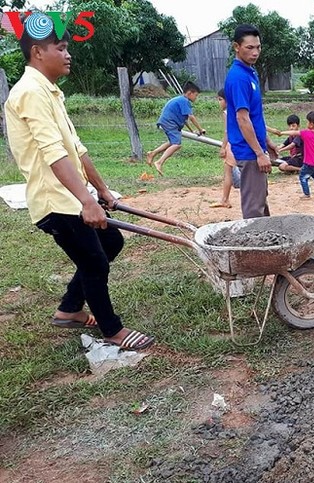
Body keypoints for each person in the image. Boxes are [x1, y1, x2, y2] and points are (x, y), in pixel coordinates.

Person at [4, 23, 154, 350]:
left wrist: (101, 190)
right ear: (37, 52)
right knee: (94, 261)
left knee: (110, 242)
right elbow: (53, 153)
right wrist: (86, 201)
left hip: (70, 195)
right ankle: (112, 330)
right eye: (60, 47)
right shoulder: (29, 92)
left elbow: (76, 147)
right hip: (56, 201)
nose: (68, 54)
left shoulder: (50, 91)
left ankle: (69, 309)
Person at [224, 23, 278, 219]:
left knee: (260, 200)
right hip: (249, 153)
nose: (255, 52)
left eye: (258, 47)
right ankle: (254, 249)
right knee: (254, 209)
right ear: (236, 47)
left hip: (255, 148)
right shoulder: (239, 77)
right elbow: (242, 118)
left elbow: (254, 115)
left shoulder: (250, 72)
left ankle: (267, 247)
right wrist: (259, 153)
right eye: (249, 48)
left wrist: (267, 143)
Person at [146, 81, 206, 176]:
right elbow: (191, 117)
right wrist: (200, 129)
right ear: (189, 93)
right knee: (177, 144)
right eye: (196, 95)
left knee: (172, 142)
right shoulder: (184, 101)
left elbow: (185, 119)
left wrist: (192, 131)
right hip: (169, 122)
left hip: (167, 121)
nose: (196, 98)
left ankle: (152, 153)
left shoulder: (181, 100)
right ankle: (159, 162)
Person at [279, 111, 314, 200]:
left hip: (309, 163)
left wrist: (281, 133)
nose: (306, 123)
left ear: (311, 124)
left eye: (307, 121)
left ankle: (307, 194)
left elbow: (294, 133)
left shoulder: (306, 133)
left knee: (303, 177)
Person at [210, 89, 241, 209]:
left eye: (220, 99)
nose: (219, 102)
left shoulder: (227, 113)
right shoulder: (238, 111)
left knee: (228, 172)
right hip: (240, 143)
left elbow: (227, 132)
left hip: (232, 144)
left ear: (226, 100)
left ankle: (225, 199)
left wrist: (223, 147)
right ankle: (225, 199)